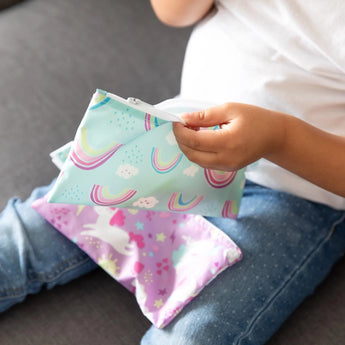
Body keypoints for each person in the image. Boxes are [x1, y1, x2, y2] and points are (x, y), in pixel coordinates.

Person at [0, 1, 344, 345]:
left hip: (296, 190)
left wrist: (279, 139)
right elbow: (175, 11)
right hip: (174, 139)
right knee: (24, 235)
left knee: (194, 334)